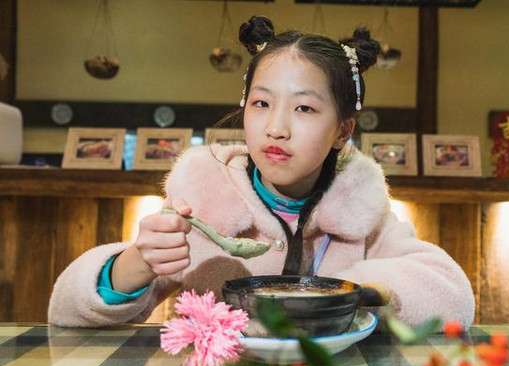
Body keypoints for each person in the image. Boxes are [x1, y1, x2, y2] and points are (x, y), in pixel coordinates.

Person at [49, 16, 475, 328]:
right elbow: (65, 314)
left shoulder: (361, 210)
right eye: (261, 103)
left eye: (304, 108)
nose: (276, 127)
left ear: (343, 131)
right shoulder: (202, 201)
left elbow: (452, 296)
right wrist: (135, 264)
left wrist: (346, 290)